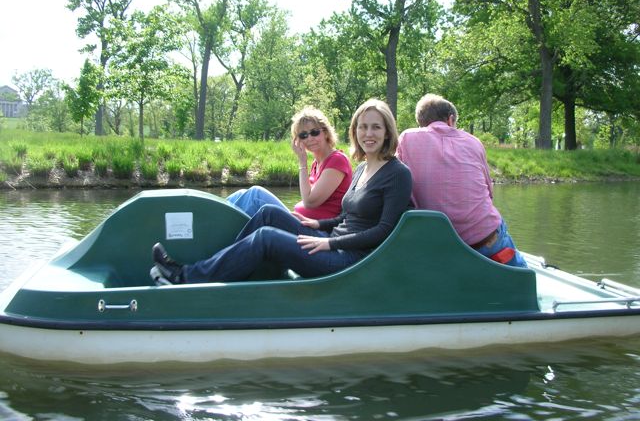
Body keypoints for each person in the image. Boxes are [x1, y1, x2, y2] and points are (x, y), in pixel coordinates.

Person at [150, 99, 413, 285]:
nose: (368, 133)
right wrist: (318, 223)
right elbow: (345, 217)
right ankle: (210, 268)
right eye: (362, 127)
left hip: (348, 260)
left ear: (388, 131)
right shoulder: (361, 168)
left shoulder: (397, 174)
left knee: (266, 238)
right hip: (330, 240)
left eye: (376, 127)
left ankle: (185, 277)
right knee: (267, 213)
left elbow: (383, 231)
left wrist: (329, 242)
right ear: (355, 131)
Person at [396, 93, 527, 268]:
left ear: (421, 122)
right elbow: (489, 192)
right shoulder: (474, 142)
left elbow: (396, 182)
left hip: (437, 245)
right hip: (485, 240)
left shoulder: (407, 138)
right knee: (521, 274)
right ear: (451, 120)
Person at [226, 106, 352, 219]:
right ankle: (212, 217)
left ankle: (215, 221)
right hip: (298, 220)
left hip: (315, 232)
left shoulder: (337, 160)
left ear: (325, 132)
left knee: (255, 195)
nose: (310, 138)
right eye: (303, 135)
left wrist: (302, 162)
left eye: (314, 132)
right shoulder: (316, 164)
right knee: (242, 194)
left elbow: (310, 202)